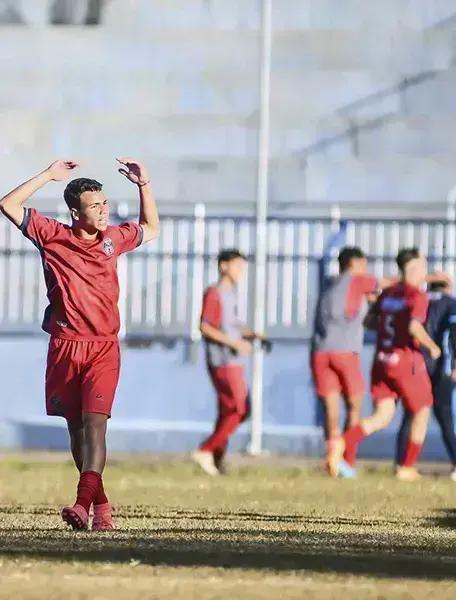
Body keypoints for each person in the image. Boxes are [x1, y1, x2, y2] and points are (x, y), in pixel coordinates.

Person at [0, 158, 159, 530]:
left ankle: (81, 502)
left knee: (95, 425)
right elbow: (7, 205)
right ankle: (101, 507)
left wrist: (144, 184)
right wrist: (47, 176)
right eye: (94, 206)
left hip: (103, 347)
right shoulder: (52, 235)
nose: (103, 212)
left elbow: (151, 227)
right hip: (65, 347)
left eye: (104, 204)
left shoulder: (114, 239)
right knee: (76, 431)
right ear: (75, 212)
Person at [329, 248, 441, 481]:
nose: (425, 271)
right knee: (422, 410)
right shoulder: (416, 295)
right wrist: (432, 346)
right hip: (404, 361)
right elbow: (413, 326)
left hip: (381, 361)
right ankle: (406, 466)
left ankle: (341, 442)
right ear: (413, 269)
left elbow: (370, 321)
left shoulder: (388, 293)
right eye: (422, 267)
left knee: (382, 416)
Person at [192, 249, 268, 476]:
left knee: (231, 411)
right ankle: (205, 450)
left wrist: (250, 334)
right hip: (222, 360)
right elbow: (205, 327)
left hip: (233, 360)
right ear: (223, 266)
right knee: (238, 408)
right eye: (237, 266)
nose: (241, 272)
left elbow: (231, 324)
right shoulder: (214, 293)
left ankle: (216, 458)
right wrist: (234, 344)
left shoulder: (231, 293)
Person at [311, 247, 380, 470]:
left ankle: (331, 455)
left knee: (331, 409)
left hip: (320, 351)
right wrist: (428, 277)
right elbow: (388, 283)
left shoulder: (329, 283)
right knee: (354, 405)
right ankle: (347, 459)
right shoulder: (357, 281)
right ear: (354, 264)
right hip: (345, 352)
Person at [395, 280, 456, 482]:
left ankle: (401, 463)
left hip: (416, 363)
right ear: (447, 286)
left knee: (411, 412)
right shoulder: (452, 303)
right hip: (440, 364)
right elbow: (455, 329)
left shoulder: (420, 299)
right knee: (446, 414)